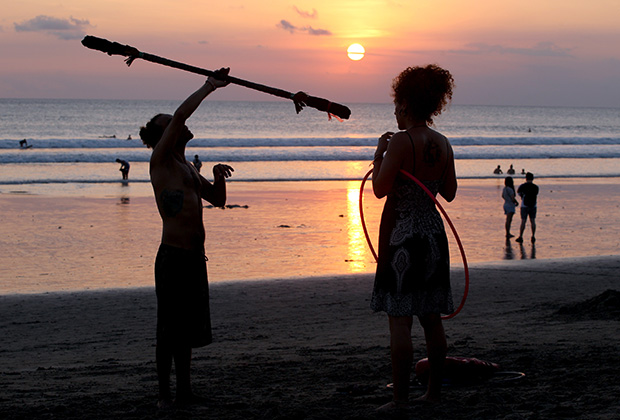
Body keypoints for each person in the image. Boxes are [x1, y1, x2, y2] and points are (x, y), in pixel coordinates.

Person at [139, 68, 234, 409]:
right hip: (173, 257)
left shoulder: (186, 166)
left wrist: (217, 177)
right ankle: (165, 396)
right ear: (164, 134)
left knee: (187, 331)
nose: (179, 123)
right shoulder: (161, 161)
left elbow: (217, 200)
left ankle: (184, 392)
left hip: (195, 257)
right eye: (171, 123)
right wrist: (210, 85)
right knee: (168, 330)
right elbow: (181, 114)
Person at [370, 64, 457, 410]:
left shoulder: (402, 142)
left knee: (400, 319)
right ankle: (434, 393)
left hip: (402, 237)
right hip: (433, 234)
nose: (395, 111)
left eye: (396, 105)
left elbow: (379, 189)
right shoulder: (443, 142)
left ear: (406, 104)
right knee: (431, 318)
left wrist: (379, 155)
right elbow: (448, 192)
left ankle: (400, 400)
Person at [516, 172, 539, 243]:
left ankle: (521, 236)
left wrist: (522, 197)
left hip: (524, 205)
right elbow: (536, 194)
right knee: (533, 221)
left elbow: (519, 193)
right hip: (533, 205)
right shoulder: (535, 187)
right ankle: (533, 236)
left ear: (526, 178)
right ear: (532, 178)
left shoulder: (522, 186)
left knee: (523, 221)